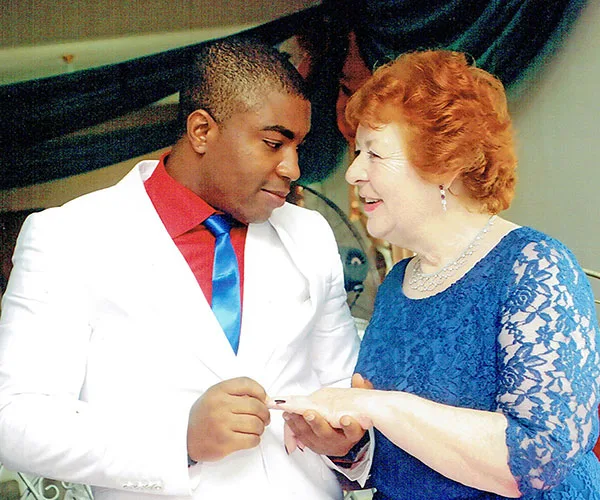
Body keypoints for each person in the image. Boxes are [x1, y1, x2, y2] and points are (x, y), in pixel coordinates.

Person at [0, 37, 368, 500]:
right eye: (273, 143)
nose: (293, 167)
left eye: (298, 145)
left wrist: (347, 443)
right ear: (201, 131)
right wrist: (179, 441)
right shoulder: (68, 237)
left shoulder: (309, 234)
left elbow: (338, 387)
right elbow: (16, 419)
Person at [271, 50, 600, 499]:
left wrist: (374, 405)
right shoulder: (396, 285)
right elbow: (399, 453)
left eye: (374, 153)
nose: (353, 172)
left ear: (444, 163)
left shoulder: (534, 268)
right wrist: (348, 447)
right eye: (355, 151)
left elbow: (536, 460)